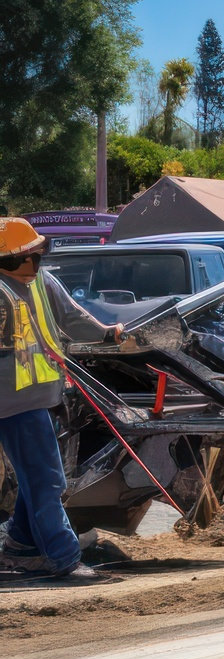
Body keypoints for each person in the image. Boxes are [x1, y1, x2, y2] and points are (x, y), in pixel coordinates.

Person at [0, 217, 126, 582]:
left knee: (36, 479)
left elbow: (72, 317)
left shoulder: (41, 282)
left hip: (42, 398)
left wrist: (107, 335)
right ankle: (65, 559)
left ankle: (21, 548)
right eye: (30, 255)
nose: (37, 260)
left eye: (37, 253)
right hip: (15, 404)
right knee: (47, 482)